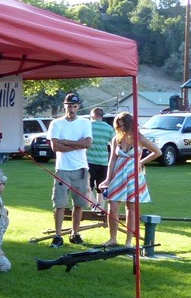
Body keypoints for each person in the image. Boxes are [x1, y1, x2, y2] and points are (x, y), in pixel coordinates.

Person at [99, 112, 161, 247]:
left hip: (134, 176)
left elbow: (157, 152)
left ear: (130, 124)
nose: (121, 128)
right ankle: (112, 238)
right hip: (118, 175)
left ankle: (128, 241)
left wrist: (140, 162)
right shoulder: (116, 139)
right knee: (112, 207)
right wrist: (108, 179)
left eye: (123, 125)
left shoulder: (140, 138)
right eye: (119, 126)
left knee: (131, 210)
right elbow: (112, 160)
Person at [47, 93, 92, 248]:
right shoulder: (56, 123)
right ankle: (58, 235)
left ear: (78, 107)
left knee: (79, 204)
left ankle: (75, 233)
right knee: (60, 204)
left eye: (74, 106)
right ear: (64, 106)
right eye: (69, 106)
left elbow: (87, 144)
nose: (71, 109)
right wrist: (76, 144)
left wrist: (65, 142)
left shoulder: (85, 123)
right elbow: (55, 147)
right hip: (63, 168)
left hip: (80, 167)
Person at [87, 107, 114, 211]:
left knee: (87, 186)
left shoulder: (88, 126)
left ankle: (94, 205)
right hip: (103, 161)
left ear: (93, 115)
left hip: (89, 160)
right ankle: (101, 208)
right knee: (101, 186)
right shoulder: (109, 128)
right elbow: (113, 144)